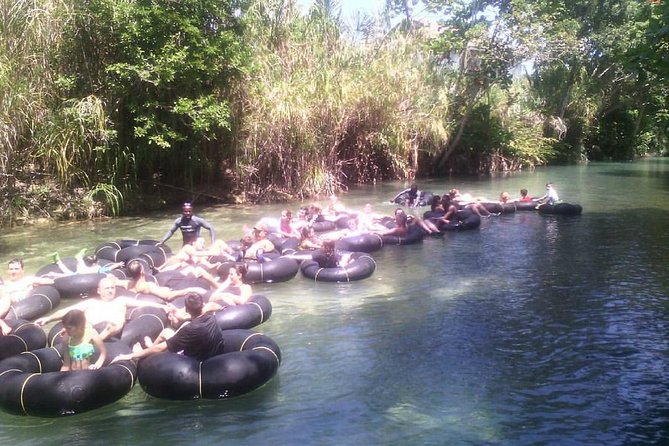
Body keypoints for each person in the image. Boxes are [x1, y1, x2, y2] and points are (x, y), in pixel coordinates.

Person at [36, 277, 171, 340]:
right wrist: (48, 318)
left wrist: (162, 306)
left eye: (112, 288)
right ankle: (88, 337)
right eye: (107, 288)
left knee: (114, 322)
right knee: (80, 318)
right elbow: (68, 311)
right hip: (91, 327)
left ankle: (97, 339)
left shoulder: (120, 300)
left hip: (110, 329)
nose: (111, 291)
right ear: (99, 291)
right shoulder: (91, 302)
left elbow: (142, 304)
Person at [112, 293, 225, 363]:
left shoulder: (190, 330)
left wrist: (131, 355)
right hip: (213, 352)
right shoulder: (209, 313)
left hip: (193, 360)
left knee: (162, 344)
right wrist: (222, 307)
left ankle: (146, 352)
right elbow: (211, 306)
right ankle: (150, 346)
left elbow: (160, 348)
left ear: (187, 309)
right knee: (166, 332)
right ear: (202, 305)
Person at [115, 260, 207, 302]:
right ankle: (217, 285)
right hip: (174, 289)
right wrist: (190, 290)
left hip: (165, 285)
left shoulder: (128, 284)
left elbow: (114, 281)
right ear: (142, 271)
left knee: (183, 268)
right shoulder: (148, 286)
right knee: (197, 270)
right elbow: (169, 296)